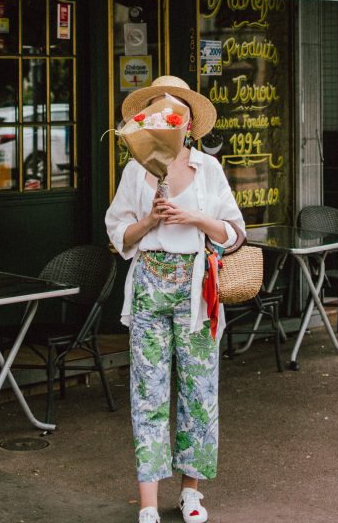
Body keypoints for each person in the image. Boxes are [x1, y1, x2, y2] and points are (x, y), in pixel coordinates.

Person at [105, 76, 245, 523]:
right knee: (147, 391)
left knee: (199, 391)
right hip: (149, 283)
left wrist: (196, 217)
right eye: (159, 112)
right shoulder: (134, 171)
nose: (170, 120)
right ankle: (148, 501)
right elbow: (118, 237)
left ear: (187, 123)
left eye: (176, 113)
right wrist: (149, 220)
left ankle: (190, 492)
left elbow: (235, 234)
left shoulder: (209, 169)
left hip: (197, 289)